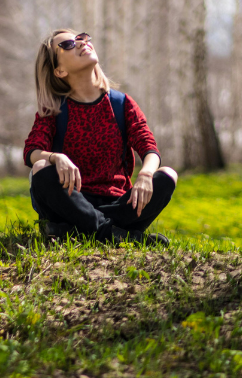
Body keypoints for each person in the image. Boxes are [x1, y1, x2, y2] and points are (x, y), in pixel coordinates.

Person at [23, 29, 178, 245]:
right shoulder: (54, 109)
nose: (80, 43)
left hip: (119, 205)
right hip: (72, 202)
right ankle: (117, 235)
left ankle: (77, 231)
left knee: (167, 175)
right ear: (59, 71)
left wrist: (145, 174)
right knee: (40, 168)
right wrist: (55, 157)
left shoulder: (122, 104)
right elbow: (31, 151)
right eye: (67, 44)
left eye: (81, 38)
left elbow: (149, 148)